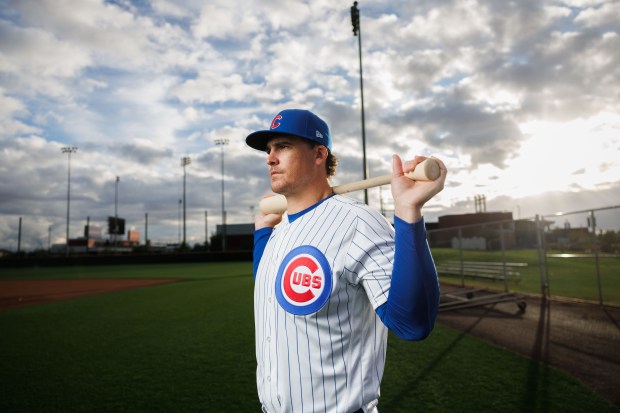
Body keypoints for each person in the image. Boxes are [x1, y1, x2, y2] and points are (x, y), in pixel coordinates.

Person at [245, 109, 447, 413]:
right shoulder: (279, 230)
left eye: (283, 146)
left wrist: (408, 212)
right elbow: (266, 286)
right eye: (269, 149)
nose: (270, 158)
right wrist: (262, 232)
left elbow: (413, 324)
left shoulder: (358, 222)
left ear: (319, 154)